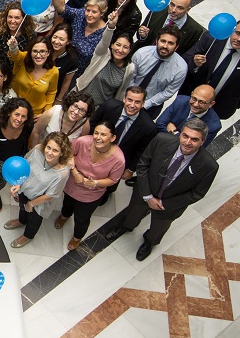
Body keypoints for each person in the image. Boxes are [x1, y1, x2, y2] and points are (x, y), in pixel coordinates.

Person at [104, 121, 219, 260]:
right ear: (180, 134)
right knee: (132, 214)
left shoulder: (209, 165)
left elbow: (197, 193)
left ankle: (149, 243)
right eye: (185, 136)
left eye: (194, 139)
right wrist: (148, 196)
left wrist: (163, 203)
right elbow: (143, 165)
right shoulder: (161, 140)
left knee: (158, 229)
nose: (188, 142)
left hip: (169, 206)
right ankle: (125, 228)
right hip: (144, 193)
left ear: (202, 141)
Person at [55, 122, 124, 250]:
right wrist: (75, 172)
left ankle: (77, 238)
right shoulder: (82, 142)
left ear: (112, 138)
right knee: (67, 203)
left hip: (91, 194)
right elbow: (68, 153)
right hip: (72, 184)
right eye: (96, 133)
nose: (98, 137)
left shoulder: (118, 159)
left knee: (82, 218)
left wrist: (95, 183)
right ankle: (64, 216)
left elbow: (113, 179)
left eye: (103, 134)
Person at [181, 19, 240, 119]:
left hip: (219, 107)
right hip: (190, 96)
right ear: (232, 30)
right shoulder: (213, 37)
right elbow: (187, 57)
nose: (239, 39)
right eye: (238, 33)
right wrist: (194, 64)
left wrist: (237, 102)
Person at [6, 132, 72, 247]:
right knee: (22, 207)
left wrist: (31, 204)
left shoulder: (62, 173)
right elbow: (25, 166)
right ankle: (21, 221)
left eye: (55, 150)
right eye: (48, 147)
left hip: (40, 201)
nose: (49, 153)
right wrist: (18, 184)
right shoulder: (37, 150)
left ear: (62, 153)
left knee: (34, 219)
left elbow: (50, 195)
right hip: (25, 189)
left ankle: (28, 235)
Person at [92, 85, 158, 193]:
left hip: (119, 162)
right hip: (96, 151)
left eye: (137, 102)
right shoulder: (109, 106)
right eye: (129, 100)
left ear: (143, 104)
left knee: (109, 187)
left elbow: (141, 152)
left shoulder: (149, 127)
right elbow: (93, 122)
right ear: (124, 99)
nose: (132, 105)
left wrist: (131, 169)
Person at [0, 97, 33, 212]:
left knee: (2, 181)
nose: (19, 119)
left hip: (13, 162)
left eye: (23, 116)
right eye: (17, 114)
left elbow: (25, 143)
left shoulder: (28, 127)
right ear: (9, 112)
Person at [75, 16, 135, 107]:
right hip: (79, 96)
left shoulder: (129, 68)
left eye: (125, 47)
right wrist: (111, 27)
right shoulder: (103, 54)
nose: (120, 49)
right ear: (112, 45)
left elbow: (122, 91)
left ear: (130, 50)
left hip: (98, 107)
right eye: (118, 45)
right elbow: (104, 41)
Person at [131, 28, 187, 115]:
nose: (165, 46)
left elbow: (168, 92)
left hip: (150, 107)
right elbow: (130, 76)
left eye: (171, 43)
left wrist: (146, 104)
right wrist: (131, 97)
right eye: (163, 41)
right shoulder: (141, 54)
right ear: (157, 41)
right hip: (127, 97)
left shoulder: (181, 68)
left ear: (176, 47)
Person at [52, 0, 110, 73]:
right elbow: (62, 9)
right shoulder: (80, 15)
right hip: (61, 63)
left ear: (102, 13)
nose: (89, 14)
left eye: (94, 12)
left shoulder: (104, 33)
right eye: (88, 10)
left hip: (79, 74)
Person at [137, 0, 202, 51]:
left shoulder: (195, 30)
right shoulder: (157, 10)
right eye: (172, 5)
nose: (173, 10)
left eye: (179, 8)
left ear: (188, 10)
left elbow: (185, 53)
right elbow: (140, 35)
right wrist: (143, 36)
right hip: (143, 52)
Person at [157, 85, 222, 145]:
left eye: (201, 102)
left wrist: (175, 132)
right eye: (194, 99)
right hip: (159, 140)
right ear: (191, 94)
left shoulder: (213, 126)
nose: (195, 104)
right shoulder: (180, 101)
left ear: (211, 104)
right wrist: (184, 140)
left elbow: (196, 148)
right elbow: (160, 123)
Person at [30, 89, 95, 147]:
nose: (76, 112)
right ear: (70, 103)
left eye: (82, 110)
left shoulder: (84, 125)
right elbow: (35, 131)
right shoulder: (53, 112)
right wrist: (35, 151)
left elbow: (79, 145)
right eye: (75, 106)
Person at [10, 38, 58, 116]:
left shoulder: (54, 71)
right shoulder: (23, 59)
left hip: (34, 113)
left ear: (48, 53)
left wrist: (45, 113)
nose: (38, 55)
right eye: (35, 51)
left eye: (42, 51)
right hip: (13, 107)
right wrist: (13, 47)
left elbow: (51, 92)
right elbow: (15, 55)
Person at [45, 19, 80, 102]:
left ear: (68, 42)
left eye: (61, 39)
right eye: (55, 37)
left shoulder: (72, 59)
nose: (56, 42)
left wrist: (58, 99)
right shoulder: (44, 46)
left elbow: (67, 81)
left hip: (52, 93)